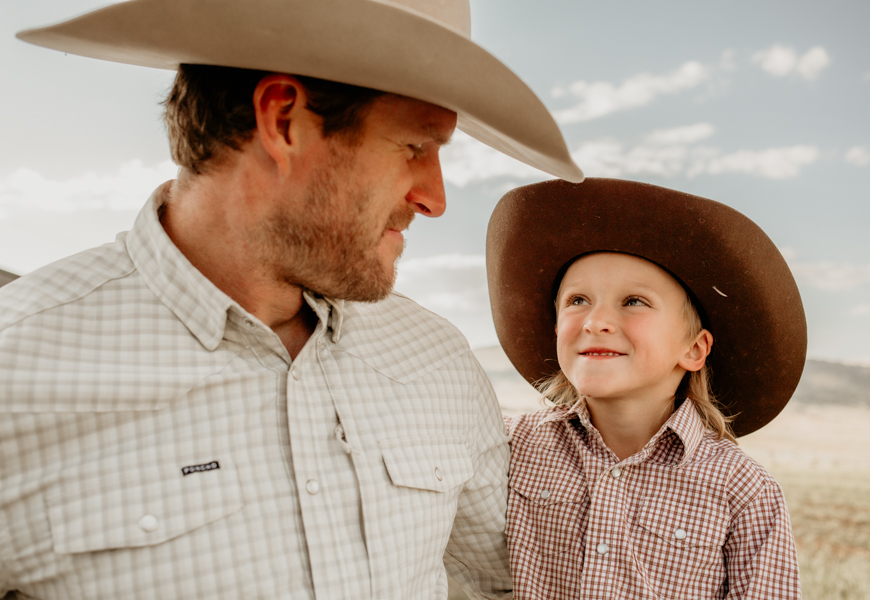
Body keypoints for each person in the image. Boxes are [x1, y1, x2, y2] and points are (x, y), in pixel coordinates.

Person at [0, 1, 584, 598]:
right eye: (414, 148)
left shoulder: (436, 358)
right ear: (282, 121)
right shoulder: (13, 374)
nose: (434, 198)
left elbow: (503, 585)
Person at [486, 178, 806, 599]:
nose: (595, 321)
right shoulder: (511, 446)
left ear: (693, 349)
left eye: (634, 301)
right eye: (577, 300)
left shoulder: (742, 490)